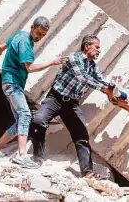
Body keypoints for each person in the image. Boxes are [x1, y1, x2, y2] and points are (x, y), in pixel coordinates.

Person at [29, 34, 113, 178]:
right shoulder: (75, 58)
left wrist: (113, 89)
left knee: (81, 136)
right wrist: (105, 90)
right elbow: (83, 78)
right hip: (55, 98)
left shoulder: (92, 66)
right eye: (97, 47)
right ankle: (38, 159)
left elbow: (101, 79)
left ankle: (87, 173)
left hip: (71, 104)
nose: (99, 51)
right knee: (38, 121)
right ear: (87, 46)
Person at [0, 16, 68, 168]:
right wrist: (51, 62)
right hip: (13, 84)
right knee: (25, 115)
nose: (39, 37)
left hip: (8, 82)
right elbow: (29, 68)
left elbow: (0, 47)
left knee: (20, 120)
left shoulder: (20, 35)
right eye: (38, 33)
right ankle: (22, 154)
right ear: (32, 27)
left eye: (43, 35)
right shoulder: (25, 43)